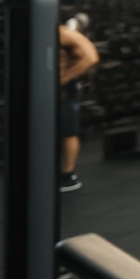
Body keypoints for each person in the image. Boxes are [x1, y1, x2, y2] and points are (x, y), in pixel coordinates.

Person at [57, 21, 99, 192]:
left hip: (64, 89)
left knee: (67, 131)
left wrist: (64, 78)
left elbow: (91, 57)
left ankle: (68, 176)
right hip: (43, 88)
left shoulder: (64, 34)